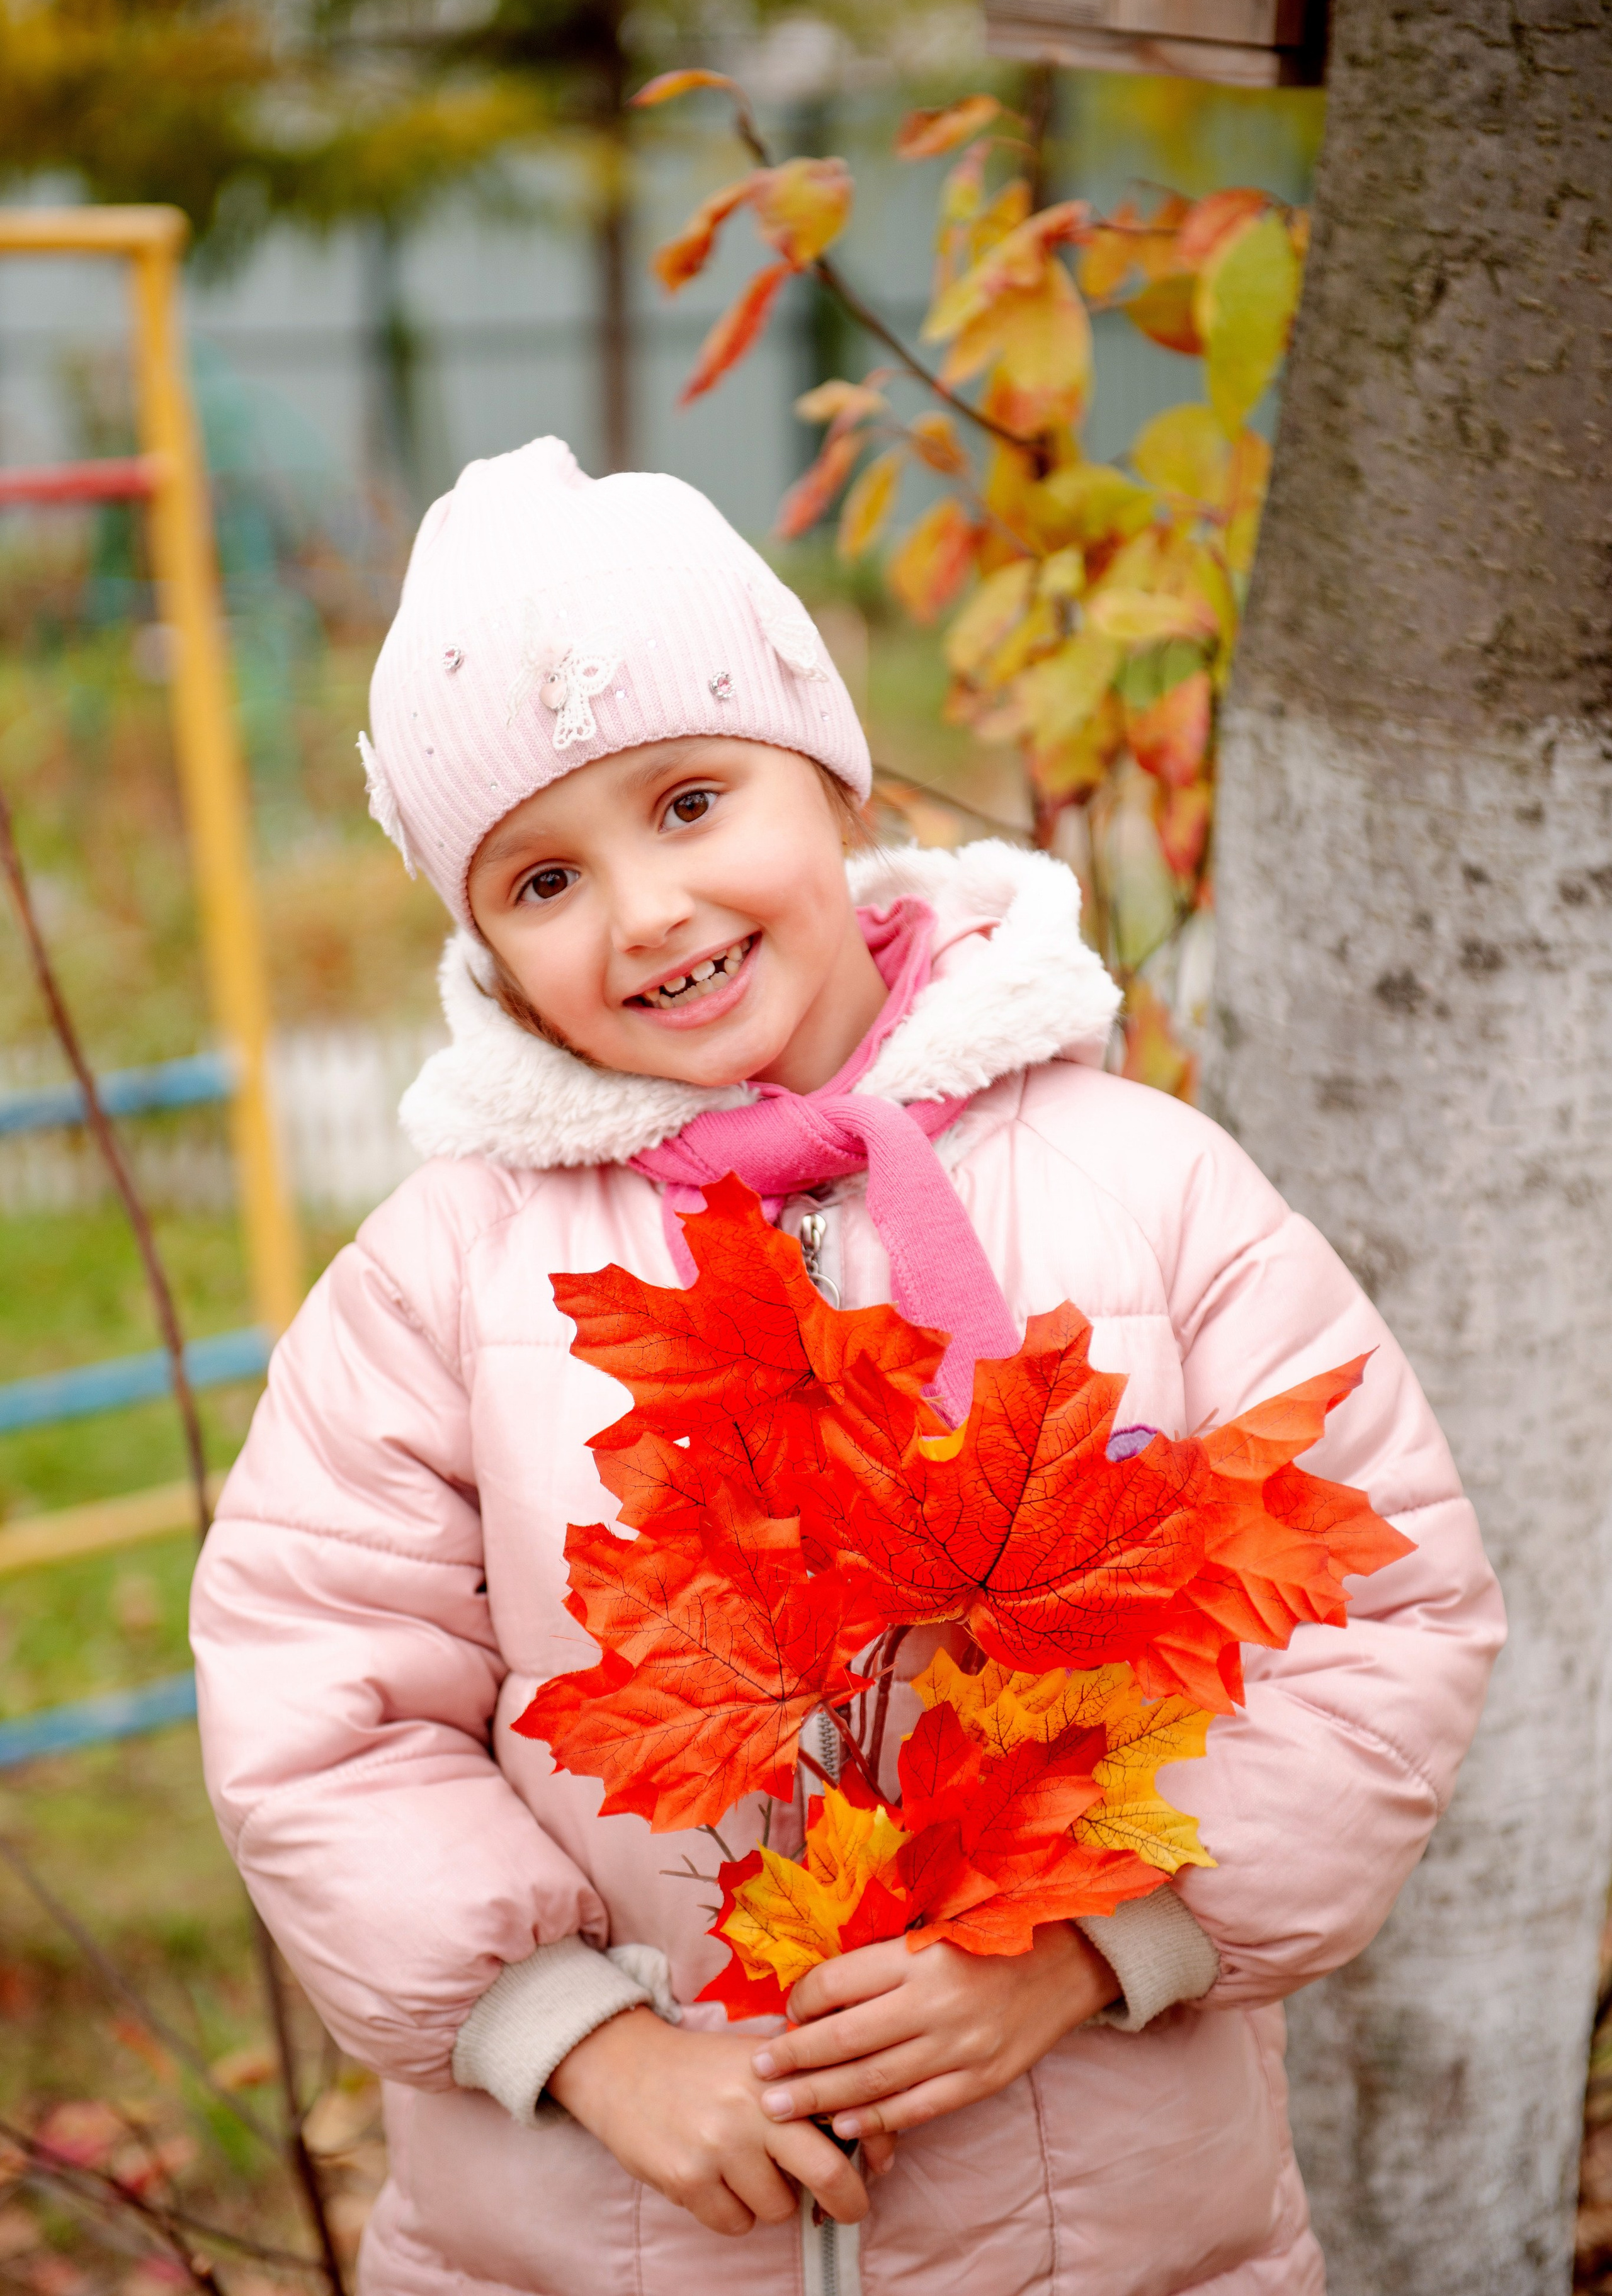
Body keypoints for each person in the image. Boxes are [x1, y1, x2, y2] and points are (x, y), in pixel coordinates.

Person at [190, 437, 1503, 2296]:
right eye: (543, 876)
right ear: (481, 948)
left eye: (693, 798)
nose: (646, 909)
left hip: (1107, 2235)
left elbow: (1388, 1604)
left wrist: (1088, 1936)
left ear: (834, 776)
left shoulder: (1140, 1185)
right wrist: (585, 2039)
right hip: (596, 2241)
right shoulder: (447, 1274)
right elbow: (315, 1699)